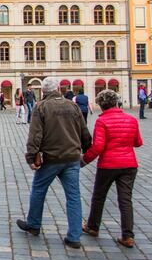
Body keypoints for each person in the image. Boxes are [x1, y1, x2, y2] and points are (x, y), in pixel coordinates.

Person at [17, 76, 91, 249]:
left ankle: (34, 224)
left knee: (38, 190)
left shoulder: (41, 107)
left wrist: (31, 156)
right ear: (58, 88)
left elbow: (35, 135)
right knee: (73, 196)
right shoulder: (72, 106)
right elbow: (83, 129)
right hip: (72, 157)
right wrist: (87, 148)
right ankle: (74, 236)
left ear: (43, 91)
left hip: (51, 158)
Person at [81, 90, 142, 248]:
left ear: (101, 105)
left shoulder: (102, 121)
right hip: (129, 165)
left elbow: (98, 147)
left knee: (99, 196)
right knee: (125, 200)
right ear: (116, 102)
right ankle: (128, 236)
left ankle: (93, 227)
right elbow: (137, 142)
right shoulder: (131, 119)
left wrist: (83, 161)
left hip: (108, 165)